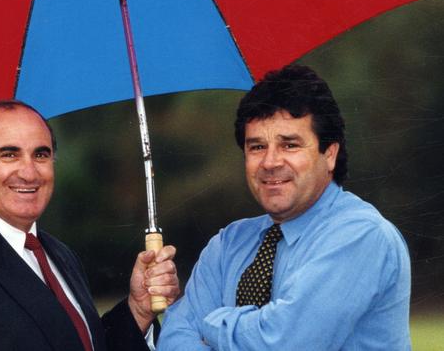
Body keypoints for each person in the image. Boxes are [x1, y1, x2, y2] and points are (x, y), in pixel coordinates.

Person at [0, 100, 179, 351]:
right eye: (9, 154)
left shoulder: (57, 254)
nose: (28, 172)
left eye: (41, 154)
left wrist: (137, 310)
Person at [158, 64, 411, 350]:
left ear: (329, 154)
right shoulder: (227, 245)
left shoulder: (361, 235)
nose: (270, 162)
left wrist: (211, 324)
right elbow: (173, 339)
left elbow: (282, 343)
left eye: (289, 145)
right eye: (256, 147)